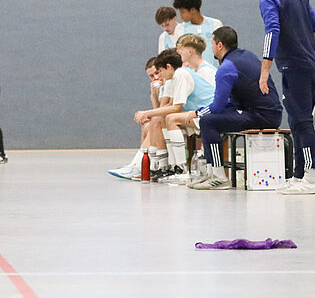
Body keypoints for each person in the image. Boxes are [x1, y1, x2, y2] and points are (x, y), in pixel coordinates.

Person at [254, 0, 315, 195]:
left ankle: (311, 178)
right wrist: (314, 56)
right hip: (310, 65)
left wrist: (264, 71)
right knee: (295, 120)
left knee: (303, 121)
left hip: (296, 67)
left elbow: (272, 32)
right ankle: (298, 175)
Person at [187, 26, 283, 190]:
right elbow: (229, 102)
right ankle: (211, 172)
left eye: (212, 44)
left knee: (208, 121)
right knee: (211, 117)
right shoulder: (247, 56)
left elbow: (217, 107)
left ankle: (218, 176)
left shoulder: (226, 68)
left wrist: (196, 113)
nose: (211, 48)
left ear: (220, 45)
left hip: (262, 116)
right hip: (269, 113)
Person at [134, 49, 215, 179]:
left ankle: (180, 168)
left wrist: (147, 113)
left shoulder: (181, 74)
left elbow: (176, 108)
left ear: (168, 67)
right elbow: (167, 106)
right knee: (159, 119)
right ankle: (162, 166)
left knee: (171, 118)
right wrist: (150, 113)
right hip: (195, 112)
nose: (159, 75)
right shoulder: (174, 78)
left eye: (159, 71)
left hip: (207, 112)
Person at [108, 57, 169, 179]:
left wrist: (147, 113)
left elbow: (162, 111)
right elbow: (158, 108)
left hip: (172, 119)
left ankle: (137, 166)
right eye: (151, 76)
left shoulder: (170, 83)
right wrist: (153, 94)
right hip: (163, 118)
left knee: (152, 123)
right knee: (146, 124)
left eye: (157, 73)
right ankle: (139, 164)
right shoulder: (161, 87)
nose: (155, 78)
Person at [172, 0, 223, 65]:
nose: (180, 16)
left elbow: (221, 51)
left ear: (193, 10)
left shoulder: (216, 24)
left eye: (182, 12)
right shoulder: (180, 29)